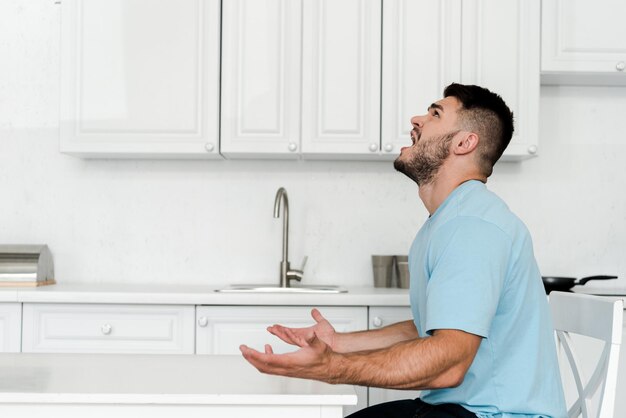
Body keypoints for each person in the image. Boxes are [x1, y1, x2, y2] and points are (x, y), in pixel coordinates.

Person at [240, 83, 567, 418]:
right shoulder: (450, 220)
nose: (416, 119)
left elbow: (450, 363)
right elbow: (430, 327)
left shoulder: (471, 227)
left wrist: (330, 367)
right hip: (460, 410)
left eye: (435, 113)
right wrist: (338, 344)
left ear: (464, 142)